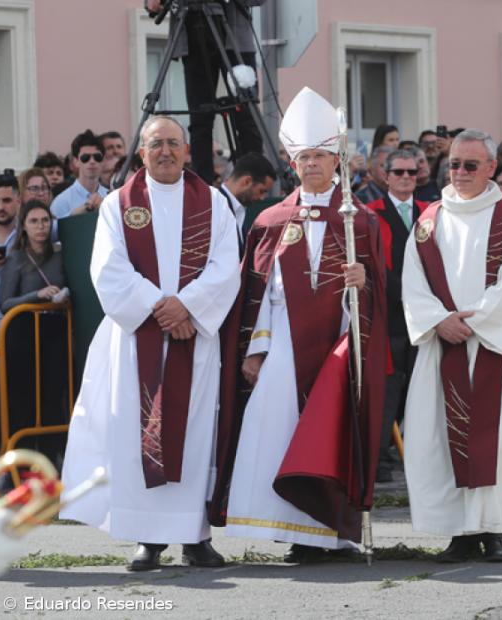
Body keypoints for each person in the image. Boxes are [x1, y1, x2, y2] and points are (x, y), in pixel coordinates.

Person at [210, 87, 388, 562]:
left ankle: (336, 535)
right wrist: (255, 349)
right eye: (304, 156)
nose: (311, 164)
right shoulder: (271, 219)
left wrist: (362, 282)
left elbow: (379, 292)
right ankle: (298, 534)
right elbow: (259, 292)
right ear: (293, 162)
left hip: (339, 346)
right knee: (281, 431)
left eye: (320, 156)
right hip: (285, 345)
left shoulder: (359, 221)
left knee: (332, 433)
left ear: (337, 162)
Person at [59, 115, 241, 571]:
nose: (165, 151)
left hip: (193, 341)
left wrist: (190, 307)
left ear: (187, 151)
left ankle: (194, 536)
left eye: (173, 143)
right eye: (155, 143)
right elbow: (108, 270)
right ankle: (147, 539)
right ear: (141, 153)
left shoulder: (215, 204)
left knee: (194, 431)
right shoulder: (118, 204)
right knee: (137, 431)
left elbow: (225, 266)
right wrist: (163, 308)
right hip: (135, 339)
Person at [400, 129, 502, 562]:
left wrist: (471, 321)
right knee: (439, 438)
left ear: (491, 169)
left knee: (489, 437)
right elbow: (412, 281)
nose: (459, 172)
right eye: (454, 164)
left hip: (488, 344)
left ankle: (493, 530)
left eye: (470, 165)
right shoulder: (429, 220)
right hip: (442, 344)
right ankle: (458, 531)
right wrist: (439, 321)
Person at [146, 0, 266, 184]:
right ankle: (202, 186)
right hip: (192, 30)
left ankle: (254, 181)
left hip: (234, 36)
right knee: (200, 117)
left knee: (247, 115)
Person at [368, 149, 428, 482]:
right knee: (387, 390)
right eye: (399, 172)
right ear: (386, 176)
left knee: (419, 387)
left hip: (422, 316)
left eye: (411, 172)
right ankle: (378, 459)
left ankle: (416, 452)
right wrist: (404, 294)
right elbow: (373, 264)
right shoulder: (372, 213)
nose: (406, 177)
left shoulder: (429, 213)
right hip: (388, 314)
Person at [0, 200, 70, 464]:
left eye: (45, 220)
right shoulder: (16, 258)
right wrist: (36, 295)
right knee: (24, 401)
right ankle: (22, 465)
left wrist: (64, 298)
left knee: (53, 397)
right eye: (34, 221)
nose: (41, 226)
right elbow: (5, 303)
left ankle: (51, 463)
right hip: (23, 334)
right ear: (24, 227)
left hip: (55, 331)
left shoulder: (62, 254)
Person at [219, 152, 278, 246]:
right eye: (261, 191)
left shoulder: (239, 210)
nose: (262, 198)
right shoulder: (213, 207)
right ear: (247, 181)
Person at [50, 130, 109, 219]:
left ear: (103, 160)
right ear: (75, 161)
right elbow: (55, 231)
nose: (92, 161)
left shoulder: (110, 197)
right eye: (85, 158)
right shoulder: (61, 202)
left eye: (97, 157)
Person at [0, 173, 21, 330]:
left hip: (19, 324)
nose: (0, 207)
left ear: (18, 201)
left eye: (6, 201)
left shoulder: (31, 232)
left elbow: (64, 226)